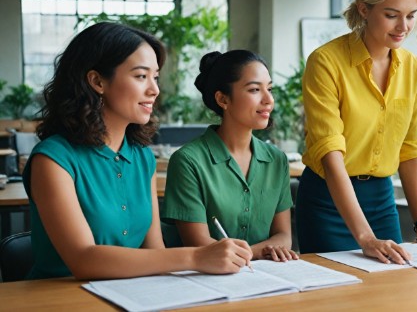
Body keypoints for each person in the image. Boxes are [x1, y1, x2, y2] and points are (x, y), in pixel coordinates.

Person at [23, 22, 253, 280]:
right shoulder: (53, 159)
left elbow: (155, 252)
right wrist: (196, 256)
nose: (154, 89)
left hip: (132, 296)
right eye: (141, 76)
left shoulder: (142, 158)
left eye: (155, 77)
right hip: (59, 300)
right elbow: (83, 259)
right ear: (97, 81)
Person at [296, 0, 417, 262]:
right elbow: (331, 156)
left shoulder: (411, 67)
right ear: (364, 9)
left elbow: (409, 147)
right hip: (328, 202)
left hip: (382, 201)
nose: (403, 27)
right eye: (392, 15)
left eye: (411, 16)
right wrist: (365, 237)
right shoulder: (326, 62)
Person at [161, 50, 298, 262]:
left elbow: (283, 236)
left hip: (264, 278)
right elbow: (198, 245)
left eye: (269, 89)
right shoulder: (188, 161)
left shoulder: (277, 160)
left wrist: (246, 254)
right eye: (254, 89)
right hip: (204, 281)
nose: (269, 100)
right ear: (223, 99)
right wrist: (260, 251)